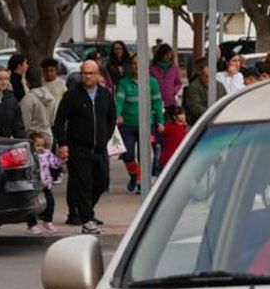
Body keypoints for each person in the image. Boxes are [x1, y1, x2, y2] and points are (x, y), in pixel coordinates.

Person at [52, 58, 117, 233]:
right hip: (79, 148)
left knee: (102, 182)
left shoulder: (105, 95)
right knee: (83, 184)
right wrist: (63, 144)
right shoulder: (72, 95)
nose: (87, 76)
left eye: (90, 73)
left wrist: (105, 137)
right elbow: (59, 121)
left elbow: (111, 118)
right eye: (84, 73)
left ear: (98, 75)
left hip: (99, 148)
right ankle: (87, 220)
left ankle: (86, 211)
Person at [114, 61, 163, 195]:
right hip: (127, 124)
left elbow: (157, 103)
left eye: (139, 63)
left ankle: (142, 183)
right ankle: (134, 175)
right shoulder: (124, 83)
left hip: (147, 124)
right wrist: (117, 115)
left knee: (144, 155)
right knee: (127, 154)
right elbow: (119, 102)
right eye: (134, 63)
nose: (136, 66)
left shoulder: (152, 82)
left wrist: (160, 121)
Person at [26, 132, 62, 235]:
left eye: (43, 145)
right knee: (32, 206)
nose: (40, 148)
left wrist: (61, 160)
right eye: (37, 145)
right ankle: (32, 225)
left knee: (50, 203)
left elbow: (55, 164)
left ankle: (48, 222)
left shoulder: (47, 154)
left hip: (45, 184)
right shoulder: (29, 155)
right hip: (33, 185)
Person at [20, 65, 58, 140]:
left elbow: (24, 123)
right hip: (48, 136)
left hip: (33, 138)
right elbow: (53, 120)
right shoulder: (51, 97)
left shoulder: (28, 99)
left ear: (27, 82)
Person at [159, 103, 189, 170]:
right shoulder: (169, 126)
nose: (183, 116)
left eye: (183, 114)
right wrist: (160, 128)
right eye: (180, 114)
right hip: (168, 158)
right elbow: (162, 131)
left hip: (179, 158)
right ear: (174, 117)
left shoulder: (186, 128)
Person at [184, 58, 212, 123]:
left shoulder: (220, 86)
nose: (210, 79)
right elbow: (195, 107)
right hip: (200, 122)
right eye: (207, 76)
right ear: (199, 73)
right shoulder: (193, 87)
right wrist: (212, 114)